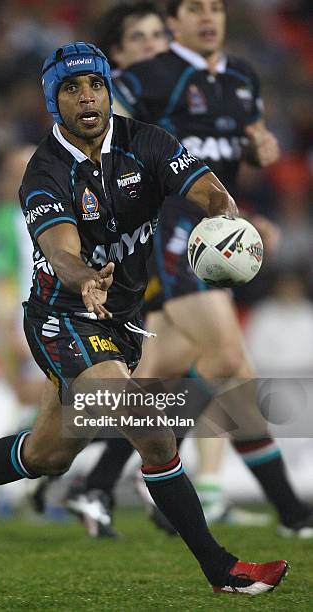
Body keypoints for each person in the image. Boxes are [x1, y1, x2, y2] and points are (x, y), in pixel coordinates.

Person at [0, 42, 288, 596]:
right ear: (54, 102)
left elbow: (205, 188)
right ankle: (222, 569)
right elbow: (59, 249)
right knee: (150, 427)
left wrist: (227, 218)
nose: (87, 97)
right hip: (64, 317)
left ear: (109, 91)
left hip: (122, 322)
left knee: (46, 454)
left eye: (96, 85)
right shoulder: (44, 171)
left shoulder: (147, 142)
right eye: (71, 88)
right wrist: (84, 278)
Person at [68, 0, 313, 538]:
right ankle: (290, 512)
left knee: (171, 372)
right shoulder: (150, 76)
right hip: (173, 230)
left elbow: (233, 152)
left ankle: (98, 479)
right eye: (193, 9)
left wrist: (258, 154)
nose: (208, 17)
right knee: (226, 358)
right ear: (175, 22)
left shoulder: (243, 76)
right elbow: (106, 143)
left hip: (214, 231)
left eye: (216, 8)